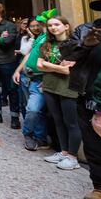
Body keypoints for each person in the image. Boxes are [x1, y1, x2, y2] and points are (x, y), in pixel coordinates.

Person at [62, 0, 101, 197]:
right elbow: (65, 54)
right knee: (96, 149)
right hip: (89, 97)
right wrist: (85, 44)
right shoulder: (85, 29)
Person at [37, 15, 82, 170]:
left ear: (66, 26)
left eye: (56, 24)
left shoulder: (76, 44)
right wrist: (58, 68)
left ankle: (73, 157)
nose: (53, 28)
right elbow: (38, 65)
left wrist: (48, 65)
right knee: (58, 120)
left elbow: (69, 70)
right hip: (50, 85)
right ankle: (63, 152)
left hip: (68, 87)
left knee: (71, 122)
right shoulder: (47, 44)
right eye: (50, 25)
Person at [12, 17, 48, 150]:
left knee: (33, 109)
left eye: (39, 25)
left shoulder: (49, 39)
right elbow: (28, 55)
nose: (36, 28)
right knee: (30, 108)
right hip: (26, 77)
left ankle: (31, 135)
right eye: (32, 25)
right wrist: (17, 71)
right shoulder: (38, 39)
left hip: (39, 80)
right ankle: (38, 137)